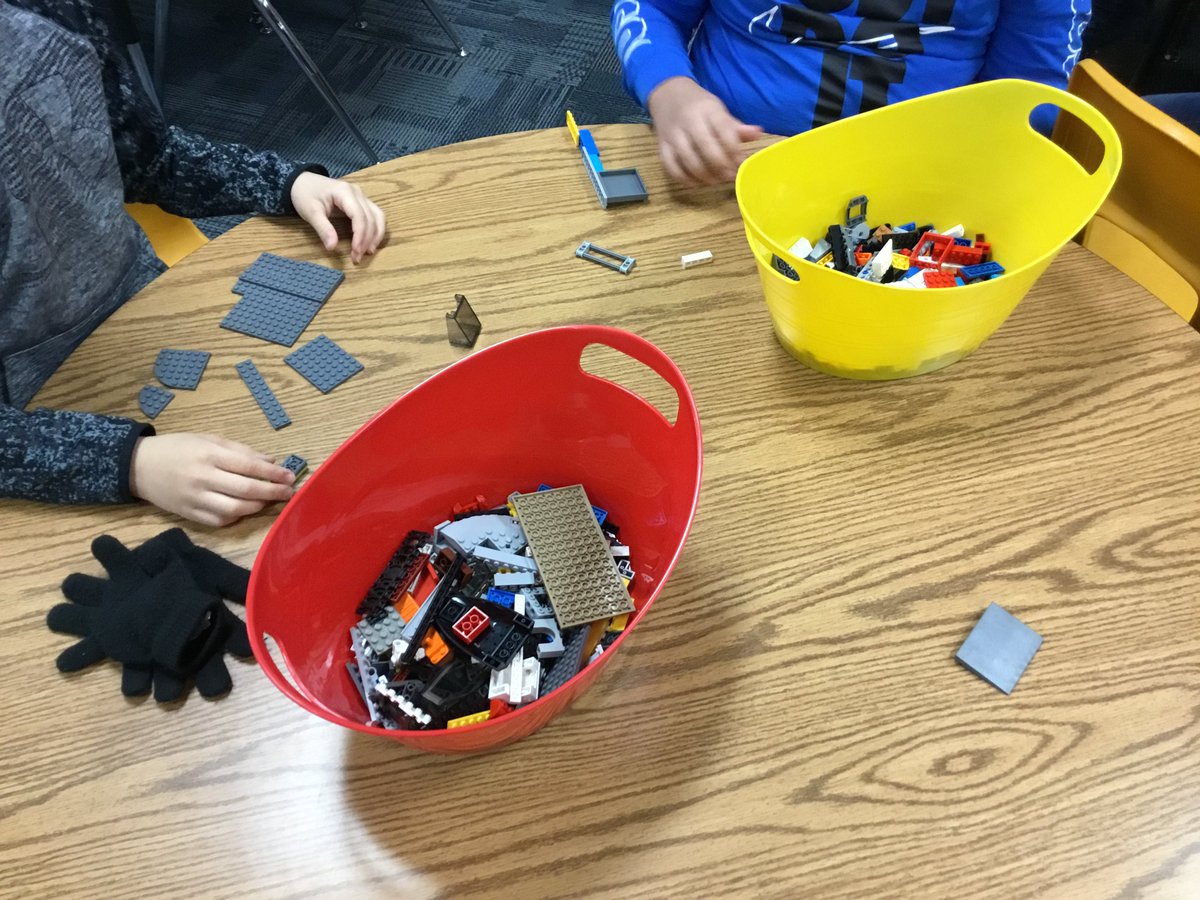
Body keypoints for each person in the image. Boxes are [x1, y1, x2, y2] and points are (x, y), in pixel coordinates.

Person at [1, 0, 387, 526]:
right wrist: (130, 462)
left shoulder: (53, 13)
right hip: (35, 417)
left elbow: (148, 156)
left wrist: (285, 183)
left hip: (142, 310)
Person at [612, 0, 1093, 185]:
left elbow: (1027, 96)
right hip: (723, 168)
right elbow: (649, 7)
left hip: (916, 188)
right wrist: (670, 89)